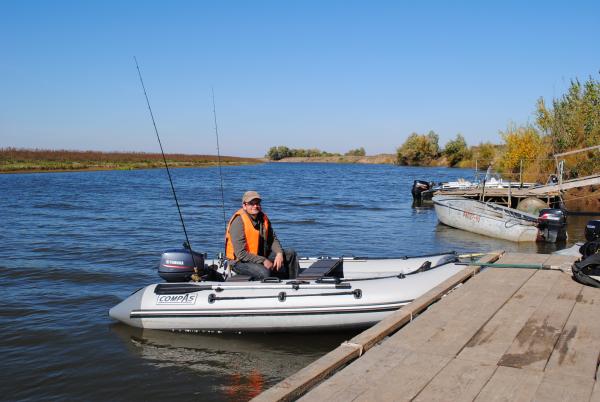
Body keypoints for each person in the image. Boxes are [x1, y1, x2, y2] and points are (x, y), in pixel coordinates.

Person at [225, 191, 299, 280]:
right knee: (264, 273)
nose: (255, 206)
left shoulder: (263, 218)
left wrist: (279, 253)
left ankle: (293, 283)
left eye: (257, 203)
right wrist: (263, 260)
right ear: (244, 205)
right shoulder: (238, 222)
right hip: (240, 262)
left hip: (259, 256)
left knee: (290, 253)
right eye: (251, 204)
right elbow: (241, 254)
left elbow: (272, 239)